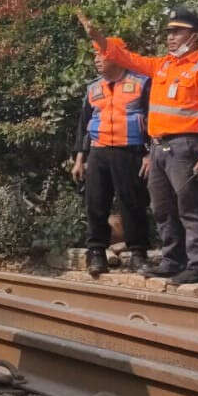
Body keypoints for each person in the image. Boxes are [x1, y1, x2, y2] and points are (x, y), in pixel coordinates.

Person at [78, 6, 198, 285]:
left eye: (177, 31)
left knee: (191, 209)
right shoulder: (163, 66)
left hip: (187, 146)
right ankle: (173, 260)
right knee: (163, 208)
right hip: (159, 147)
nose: (170, 37)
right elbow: (123, 56)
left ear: (194, 36)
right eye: (169, 32)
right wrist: (97, 37)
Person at [72, 50, 151, 275]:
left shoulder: (141, 83)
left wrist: (150, 153)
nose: (96, 60)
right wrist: (80, 158)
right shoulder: (93, 88)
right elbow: (84, 125)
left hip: (131, 150)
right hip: (99, 151)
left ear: (116, 58)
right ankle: (96, 252)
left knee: (133, 202)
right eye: (94, 56)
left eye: (102, 56)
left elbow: (154, 119)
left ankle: (138, 253)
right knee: (95, 203)